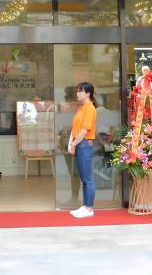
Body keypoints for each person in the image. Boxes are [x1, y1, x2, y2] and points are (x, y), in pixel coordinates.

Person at [67, 82, 97, 218]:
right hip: (79, 143)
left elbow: (84, 131)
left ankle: (89, 208)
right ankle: (85, 206)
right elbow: (75, 129)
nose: (77, 93)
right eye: (77, 91)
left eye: (80, 91)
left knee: (88, 178)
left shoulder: (90, 108)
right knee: (83, 178)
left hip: (84, 144)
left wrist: (73, 144)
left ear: (88, 93)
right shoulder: (81, 109)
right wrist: (70, 143)